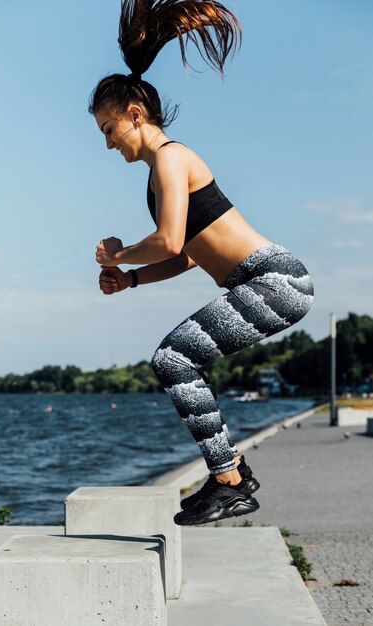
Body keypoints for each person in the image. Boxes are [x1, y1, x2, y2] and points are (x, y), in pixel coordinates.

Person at [91, 0, 314, 526]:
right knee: (175, 359)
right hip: (262, 281)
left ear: (134, 115)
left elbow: (168, 240)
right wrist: (131, 279)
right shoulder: (157, 175)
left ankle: (229, 478)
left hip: (275, 279)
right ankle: (230, 472)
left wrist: (118, 255)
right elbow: (188, 257)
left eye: (108, 128)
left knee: (173, 359)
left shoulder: (171, 157)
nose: (107, 144)